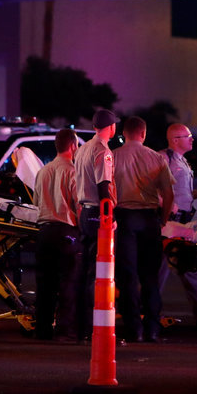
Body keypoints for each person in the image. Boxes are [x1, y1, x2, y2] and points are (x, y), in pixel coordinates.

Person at [111, 116, 174, 343]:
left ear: (124, 134)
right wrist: (163, 219)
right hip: (149, 218)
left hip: (124, 219)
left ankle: (134, 329)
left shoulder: (113, 157)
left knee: (127, 276)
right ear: (143, 134)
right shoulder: (156, 158)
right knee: (150, 277)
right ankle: (153, 328)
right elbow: (169, 194)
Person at [156, 123, 197, 333]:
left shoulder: (181, 160)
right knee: (176, 268)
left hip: (180, 221)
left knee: (185, 266)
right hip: (170, 222)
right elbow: (153, 188)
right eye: (187, 136)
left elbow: (179, 191)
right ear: (175, 140)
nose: (192, 139)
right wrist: (166, 209)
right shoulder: (164, 158)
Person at [70, 108, 120, 343]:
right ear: (112, 127)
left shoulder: (82, 149)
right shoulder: (102, 151)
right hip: (97, 214)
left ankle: (79, 326)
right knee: (97, 273)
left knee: (83, 272)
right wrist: (109, 216)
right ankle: (93, 327)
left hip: (84, 212)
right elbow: (103, 186)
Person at [32, 129, 81, 341]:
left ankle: (42, 329)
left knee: (45, 284)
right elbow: (78, 204)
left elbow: (35, 203)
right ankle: (64, 330)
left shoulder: (43, 171)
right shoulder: (73, 171)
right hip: (66, 231)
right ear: (72, 146)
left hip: (44, 231)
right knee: (68, 282)